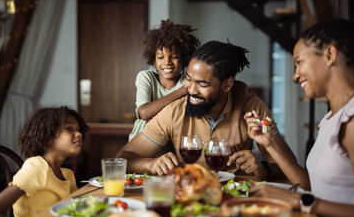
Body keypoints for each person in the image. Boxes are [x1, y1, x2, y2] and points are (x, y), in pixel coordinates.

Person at [117, 40, 296, 178]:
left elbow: (290, 167)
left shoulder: (253, 109)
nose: (191, 90)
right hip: (188, 194)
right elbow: (123, 159)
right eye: (188, 79)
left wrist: (264, 168)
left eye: (202, 84)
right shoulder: (174, 111)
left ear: (227, 84)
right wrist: (150, 165)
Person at [245, 19, 354, 217]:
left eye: (299, 62)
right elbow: (311, 185)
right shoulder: (331, 119)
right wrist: (270, 144)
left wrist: (299, 201)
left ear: (330, 55)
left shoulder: (353, 120)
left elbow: (307, 197)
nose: (295, 75)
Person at [128, 20, 248, 153]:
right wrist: (184, 89)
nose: (167, 62)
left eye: (173, 57)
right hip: (144, 144)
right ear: (153, 59)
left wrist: (235, 124)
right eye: (160, 57)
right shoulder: (148, 78)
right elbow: (144, 113)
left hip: (169, 149)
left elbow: (239, 86)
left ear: (185, 58)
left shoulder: (189, 81)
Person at [0, 106, 89, 217]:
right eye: (69, 129)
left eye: (79, 130)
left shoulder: (67, 174)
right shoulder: (36, 167)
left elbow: (77, 207)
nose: (79, 134)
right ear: (48, 137)